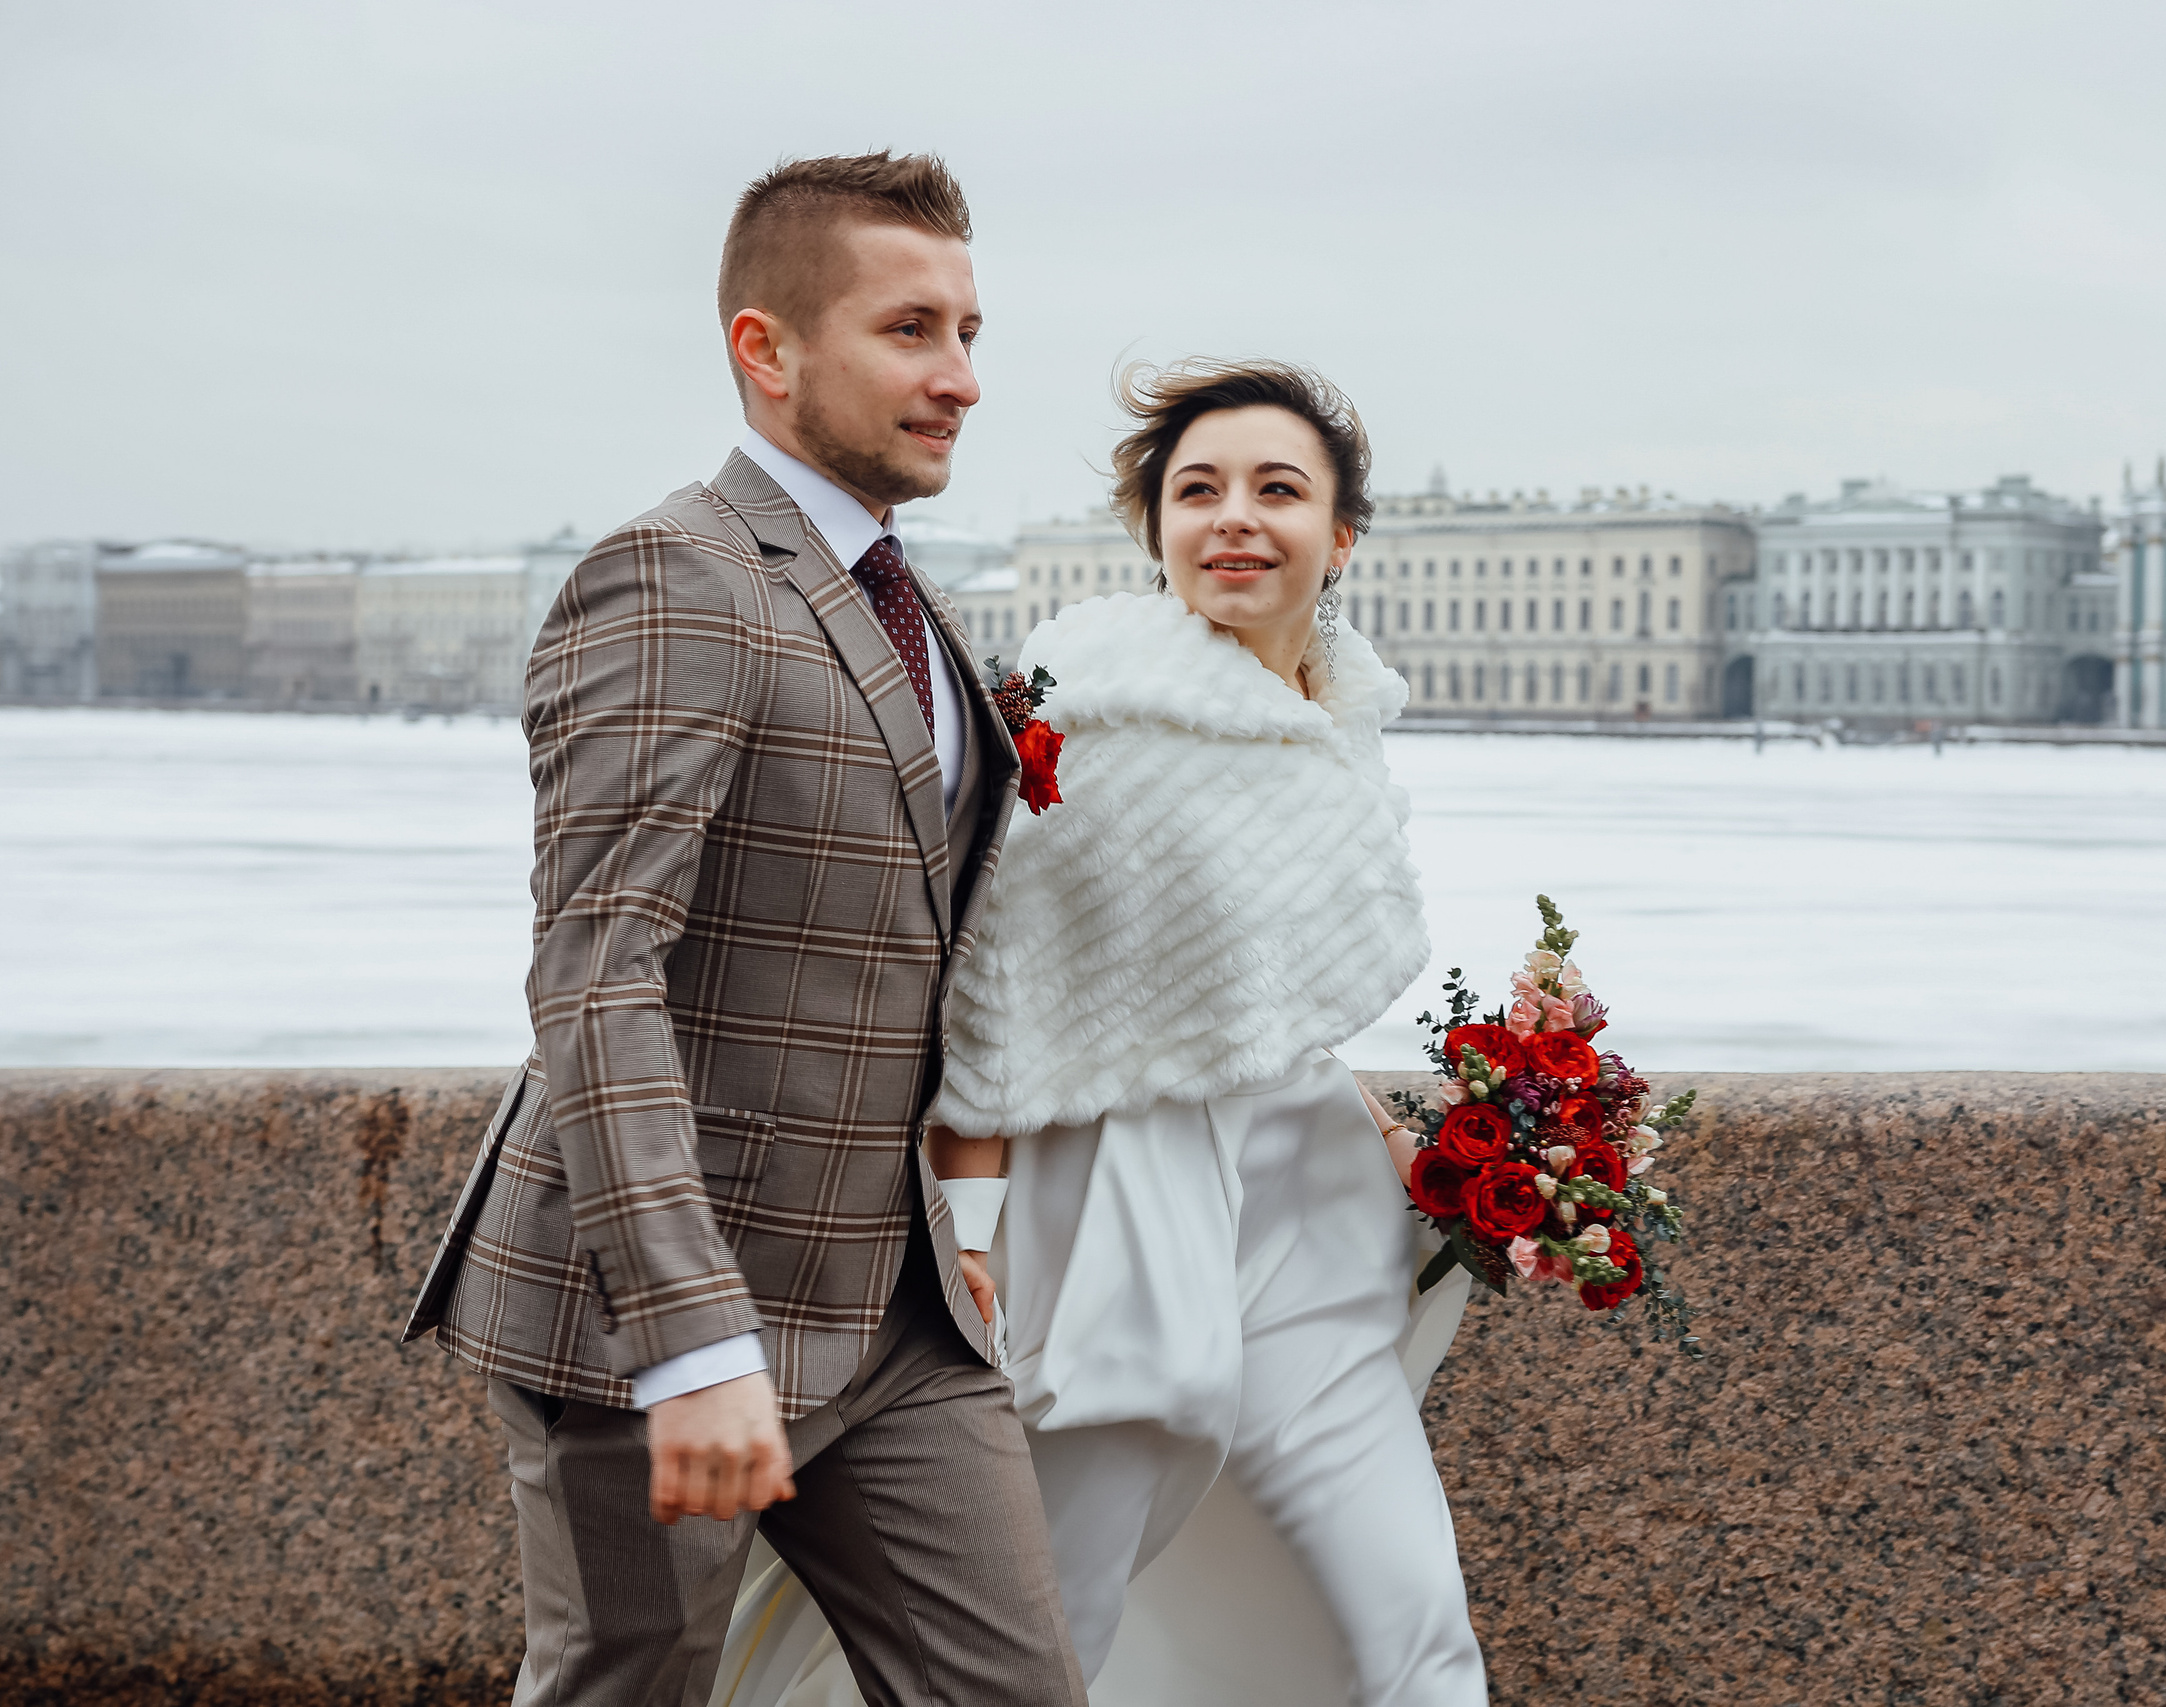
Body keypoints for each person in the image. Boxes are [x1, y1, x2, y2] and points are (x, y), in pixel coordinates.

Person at [401, 153, 1085, 1707]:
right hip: (660, 1307)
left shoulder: (917, 610)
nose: (963, 378)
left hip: (897, 1311)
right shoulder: (672, 579)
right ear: (766, 352)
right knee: (627, 1689)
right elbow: (597, 975)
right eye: (912, 330)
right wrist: (693, 1343)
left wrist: (954, 1234)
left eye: (972, 333)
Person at [713, 361, 1487, 1707]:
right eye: (1199, 491)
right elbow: (995, 1007)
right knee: (1033, 1643)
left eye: (1277, 489)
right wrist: (959, 1247)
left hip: (1307, 1230)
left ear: (1342, 536)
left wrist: (1348, 1091)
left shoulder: (1338, 719)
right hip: (1112, 1217)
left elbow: (1223, 982)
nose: (1234, 517)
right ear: (1159, 531)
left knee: (1413, 1633)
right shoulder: (1096, 721)